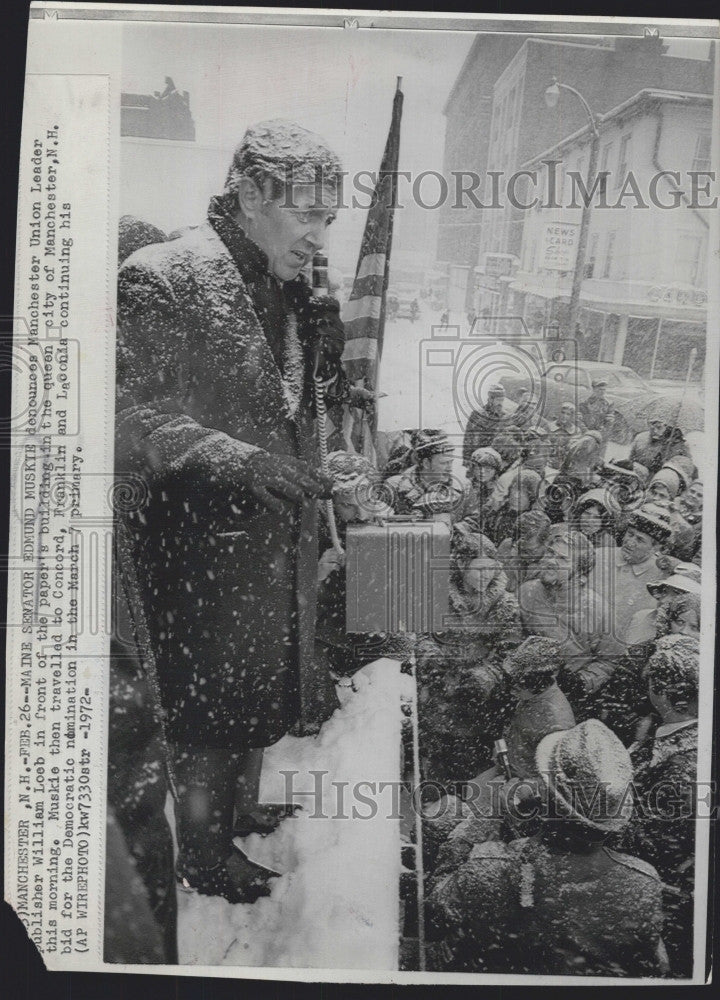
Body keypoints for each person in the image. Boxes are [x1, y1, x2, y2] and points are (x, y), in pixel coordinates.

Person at [115, 119, 347, 903]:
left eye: (328, 219)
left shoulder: (295, 292)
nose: (319, 236)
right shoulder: (164, 273)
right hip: (199, 554)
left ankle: (241, 808)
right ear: (249, 195)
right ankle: (205, 855)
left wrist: (324, 340)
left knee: (255, 689)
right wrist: (237, 460)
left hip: (273, 548)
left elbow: (294, 411)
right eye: (306, 214)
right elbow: (138, 416)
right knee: (207, 713)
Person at [427, 720, 668, 976]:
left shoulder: (487, 867)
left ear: (546, 799)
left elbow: (433, 915)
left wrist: (481, 821)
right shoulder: (642, 883)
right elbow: (653, 965)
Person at [415, 531, 521, 785]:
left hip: (481, 702)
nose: (485, 576)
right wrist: (433, 660)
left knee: (475, 768)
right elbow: (420, 636)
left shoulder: (505, 604)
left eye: (491, 569)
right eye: (478, 569)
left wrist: (485, 677)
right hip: (440, 695)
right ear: (462, 565)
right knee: (438, 762)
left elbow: (510, 652)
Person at [622, 635, 699, 977]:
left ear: (660, 690)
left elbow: (650, 843)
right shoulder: (668, 733)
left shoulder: (683, 770)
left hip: (663, 897)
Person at [518, 525, 624, 714]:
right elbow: (511, 637)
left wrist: (581, 682)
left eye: (562, 559)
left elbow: (611, 661)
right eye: (550, 553)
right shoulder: (527, 592)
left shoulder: (597, 610)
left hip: (568, 703)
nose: (551, 561)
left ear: (580, 571)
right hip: (523, 692)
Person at [588, 505, 671, 646]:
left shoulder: (662, 578)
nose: (630, 542)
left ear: (655, 547)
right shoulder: (598, 556)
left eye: (640, 540)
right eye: (630, 534)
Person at [386, 429, 463, 518]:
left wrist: (449, 528)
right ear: (426, 463)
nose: (450, 469)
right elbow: (377, 524)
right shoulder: (393, 487)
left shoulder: (462, 488)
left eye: (451, 462)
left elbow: (472, 521)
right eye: (444, 463)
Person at [496, 508, 551, 594]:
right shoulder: (507, 548)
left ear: (547, 542)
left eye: (530, 551)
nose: (523, 555)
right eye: (520, 549)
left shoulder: (553, 566)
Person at [485, 467, 542, 547]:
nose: (516, 495)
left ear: (532, 496)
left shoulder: (535, 522)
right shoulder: (497, 513)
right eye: (514, 489)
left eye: (523, 492)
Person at [462, 383, 512, 465]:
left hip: (496, 459)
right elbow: (469, 437)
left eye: (502, 400)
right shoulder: (478, 414)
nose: (500, 403)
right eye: (498, 400)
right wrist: (466, 457)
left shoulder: (505, 416)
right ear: (490, 399)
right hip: (478, 456)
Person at [549, 401, 586, 468]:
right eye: (562, 412)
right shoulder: (549, 426)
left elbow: (572, 450)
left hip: (563, 464)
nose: (564, 416)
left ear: (572, 416)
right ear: (559, 413)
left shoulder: (576, 431)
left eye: (568, 414)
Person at [578, 379, 614, 445]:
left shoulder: (609, 403)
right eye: (600, 389)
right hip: (586, 435)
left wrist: (600, 434)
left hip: (601, 437)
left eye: (604, 390)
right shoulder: (583, 403)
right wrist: (587, 432)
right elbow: (579, 420)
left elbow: (609, 422)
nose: (602, 392)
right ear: (594, 389)